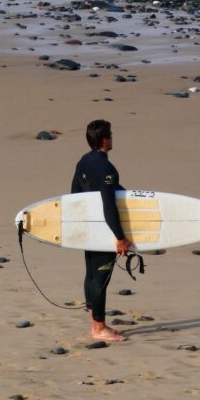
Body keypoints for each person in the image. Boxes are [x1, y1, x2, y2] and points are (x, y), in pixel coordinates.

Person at [70, 119, 133, 342]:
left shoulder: (83, 161)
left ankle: (94, 317)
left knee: (91, 272)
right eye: (111, 135)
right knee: (101, 276)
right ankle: (98, 328)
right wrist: (120, 237)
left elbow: (75, 195)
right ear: (105, 140)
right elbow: (109, 205)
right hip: (104, 229)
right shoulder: (106, 168)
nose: (112, 138)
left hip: (89, 227)